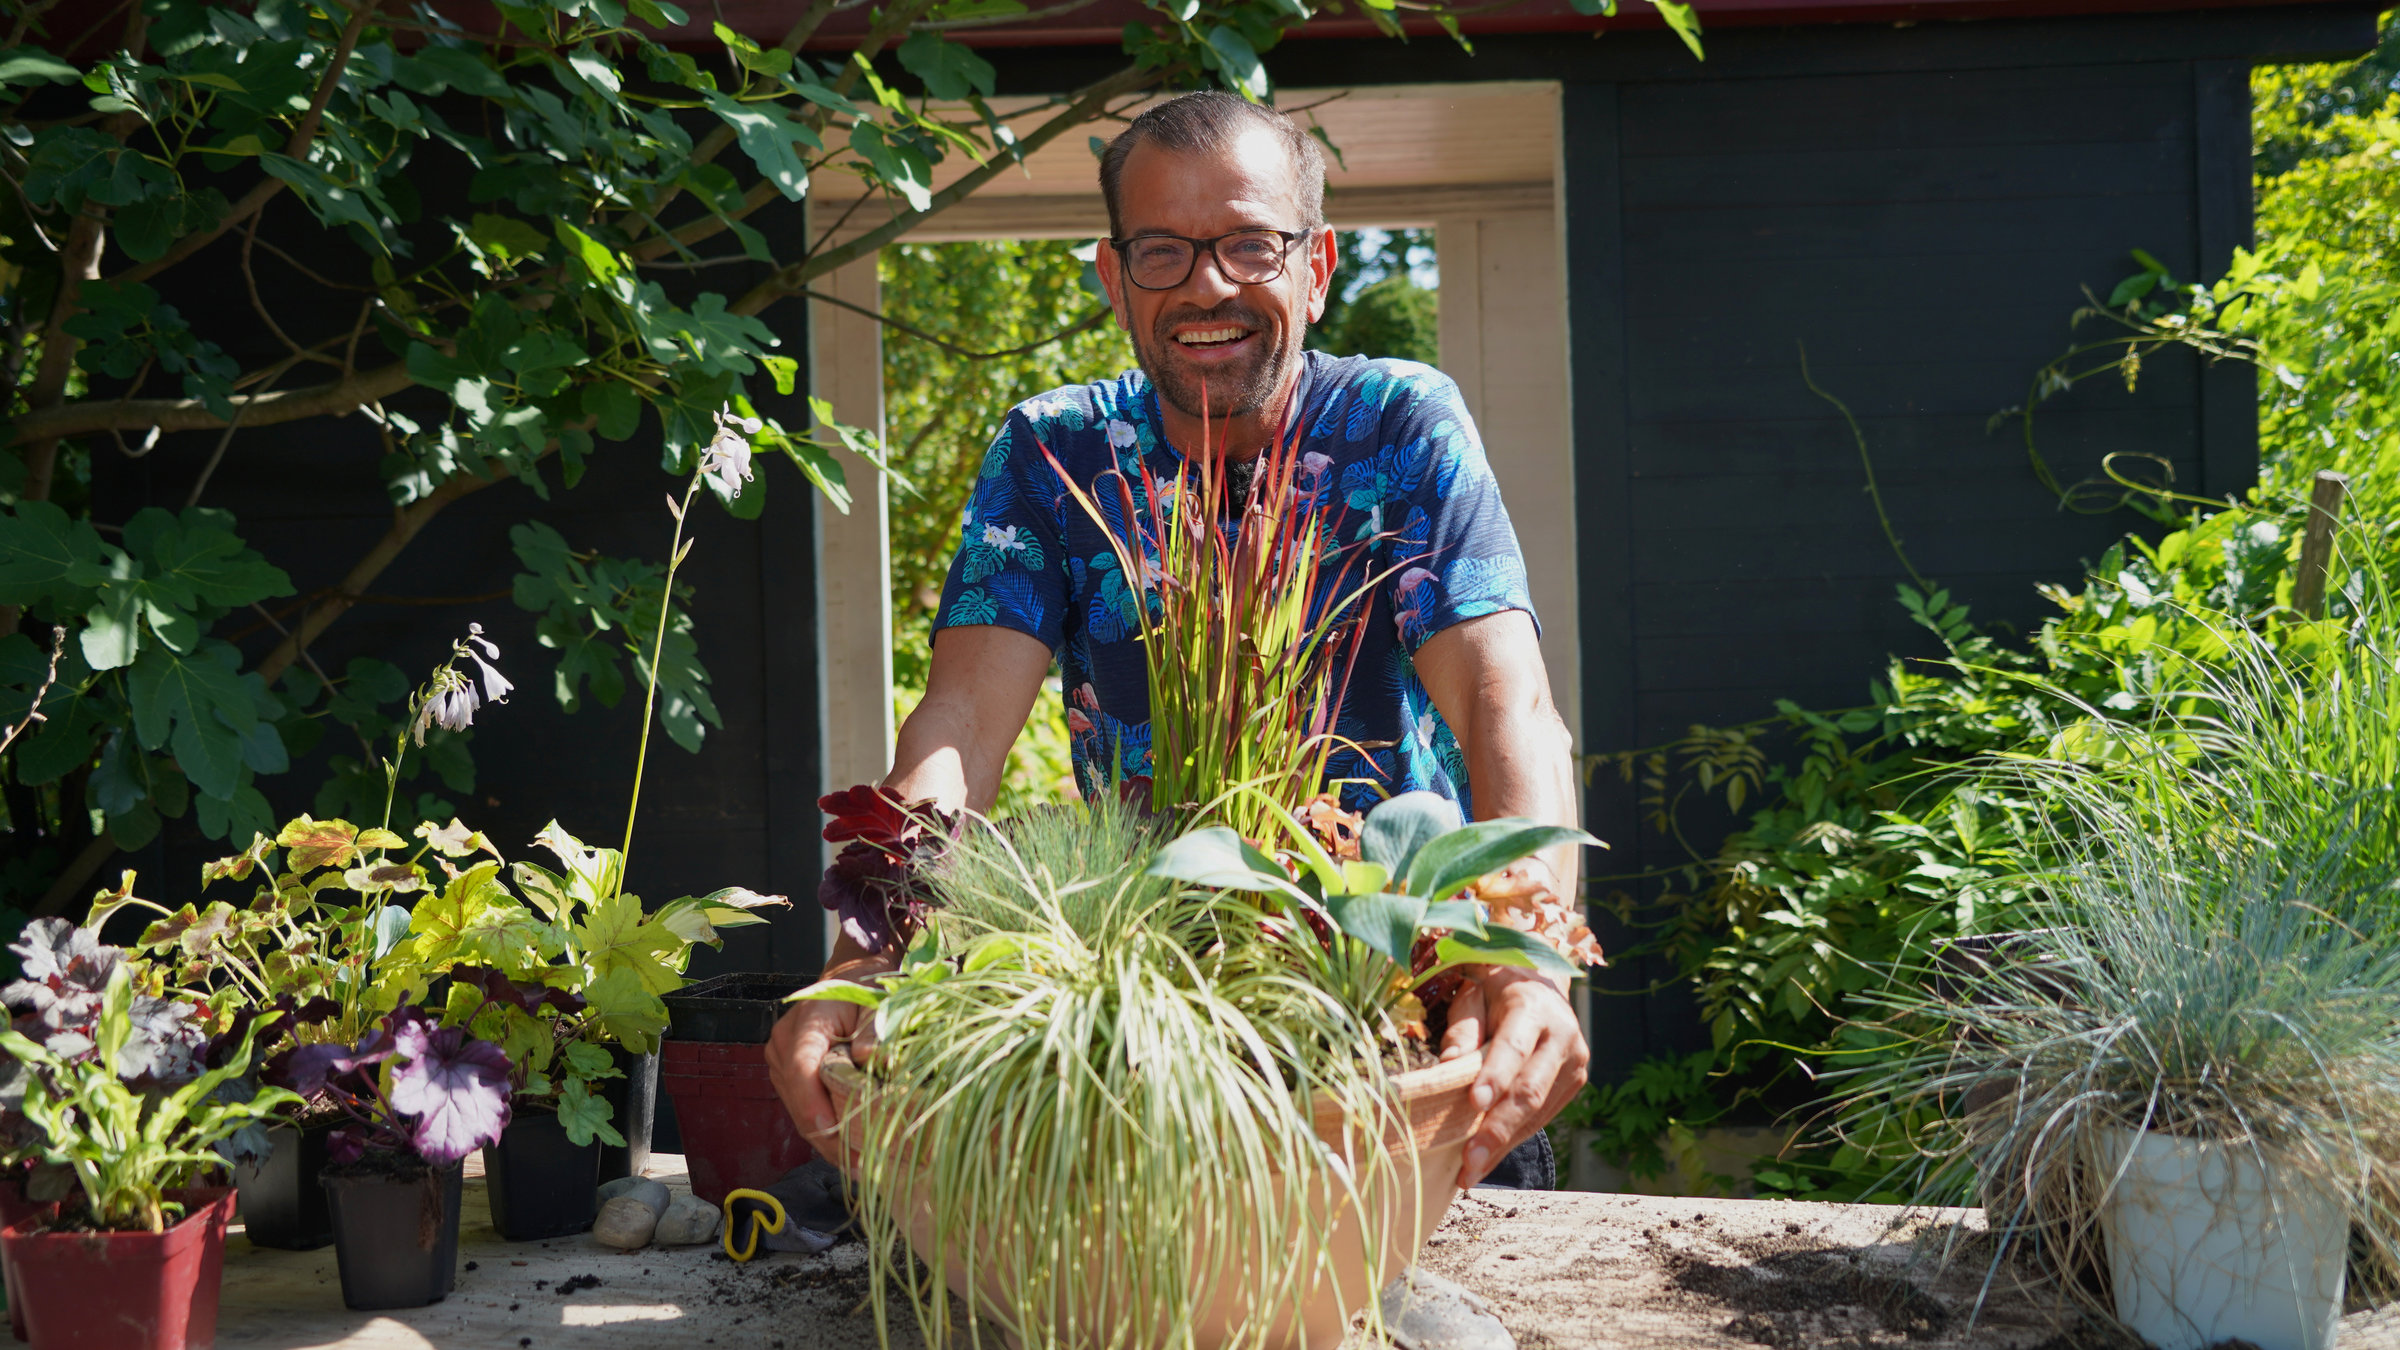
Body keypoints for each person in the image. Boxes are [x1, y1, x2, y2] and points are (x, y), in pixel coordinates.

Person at [766, 89, 1589, 1192]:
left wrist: (1529, 961)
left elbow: (1507, 705)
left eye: (1251, 244)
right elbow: (960, 720)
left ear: (1316, 266)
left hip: (1403, 1017)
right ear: (1114, 280)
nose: (1208, 286)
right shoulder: (1055, 453)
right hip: (1156, 1032)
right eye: (1162, 251)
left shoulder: (1397, 428)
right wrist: (868, 952)